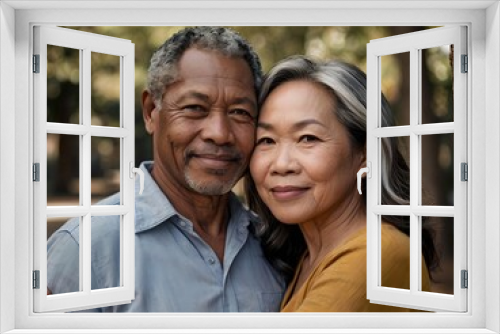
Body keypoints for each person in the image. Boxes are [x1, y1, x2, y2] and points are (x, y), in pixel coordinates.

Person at [47, 26, 285, 312]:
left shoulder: (274, 243)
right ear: (151, 112)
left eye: (240, 112)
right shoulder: (88, 248)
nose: (220, 133)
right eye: (195, 107)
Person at [244, 56, 437, 312]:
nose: (281, 164)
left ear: (367, 155)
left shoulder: (378, 255)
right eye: (266, 140)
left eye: (307, 138)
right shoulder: (305, 258)